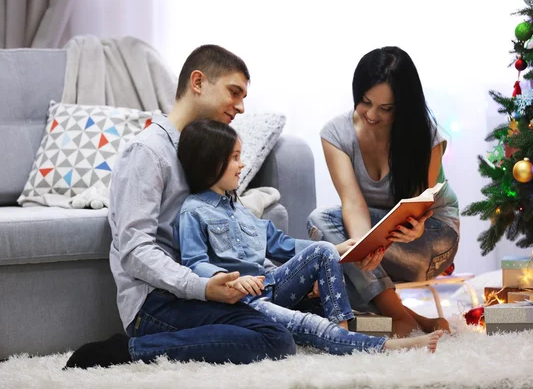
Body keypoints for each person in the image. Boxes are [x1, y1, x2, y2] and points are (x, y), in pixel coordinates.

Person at [65, 45, 297, 369]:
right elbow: (135, 251)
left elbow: (233, 234)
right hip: (157, 304)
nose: (241, 107)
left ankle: (384, 328)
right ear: (198, 82)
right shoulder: (148, 152)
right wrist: (203, 288)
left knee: (300, 312)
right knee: (276, 338)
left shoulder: (202, 154)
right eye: (234, 92)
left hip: (203, 289)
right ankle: (128, 351)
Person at [174, 118, 443, 354]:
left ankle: (345, 332)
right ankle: (382, 347)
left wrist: (336, 249)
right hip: (242, 301)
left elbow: (282, 246)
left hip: (272, 286)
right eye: (235, 157)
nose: (242, 164)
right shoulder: (193, 212)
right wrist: (232, 280)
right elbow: (195, 263)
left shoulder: (241, 211)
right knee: (310, 323)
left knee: (323, 251)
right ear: (211, 161)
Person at [306, 47, 460, 338]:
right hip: (379, 240)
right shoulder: (336, 134)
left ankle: (399, 318)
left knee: (340, 269)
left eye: (386, 108)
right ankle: (408, 319)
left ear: (403, 106)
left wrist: (400, 235)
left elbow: (417, 208)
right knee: (319, 224)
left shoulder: (425, 136)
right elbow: (352, 202)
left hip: (429, 238)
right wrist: (366, 247)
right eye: (365, 102)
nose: (372, 115)